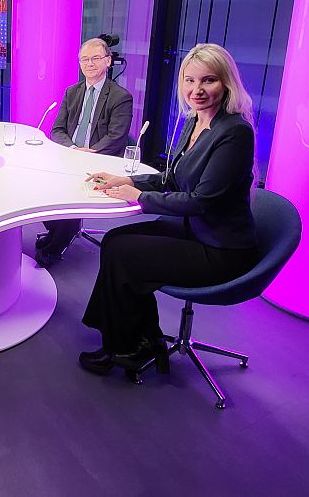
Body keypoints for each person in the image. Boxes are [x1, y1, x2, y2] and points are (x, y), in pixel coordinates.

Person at [78, 43, 259, 376]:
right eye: (190, 81)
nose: (197, 90)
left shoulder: (234, 132)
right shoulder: (195, 121)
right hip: (196, 231)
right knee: (116, 241)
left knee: (127, 254)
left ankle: (126, 346)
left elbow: (200, 200)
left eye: (208, 81)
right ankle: (143, 338)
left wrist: (137, 197)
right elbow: (173, 179)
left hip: (221, 249)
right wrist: (125, 178)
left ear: (226, 83)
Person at [36, 37, 134, 268]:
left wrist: (87, 154)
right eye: (84, 59)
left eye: (96, 58)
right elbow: (57, 129)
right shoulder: (72, 92)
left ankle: (54, 246)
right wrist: (72, 150)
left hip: (99, 160)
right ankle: (59, 230)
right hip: (69, 156)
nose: (89, 64)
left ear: (108, 61)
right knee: (38, 189)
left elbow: (117, 137)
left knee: (70, 198)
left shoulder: (121, 97)